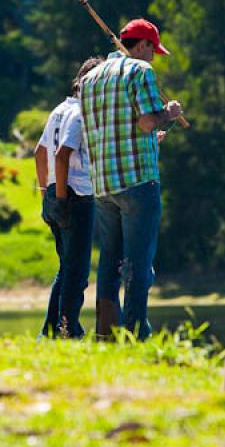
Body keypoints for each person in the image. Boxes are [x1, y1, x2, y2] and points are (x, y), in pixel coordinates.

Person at [80, 18, 183, 340]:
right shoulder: (140, 71)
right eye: (154, 51)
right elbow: (147, 123)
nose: (154, 59)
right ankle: (137, 333)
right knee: (140, 264)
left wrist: (152, 136)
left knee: (109, 263)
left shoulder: (90, 79)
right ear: (144, 45)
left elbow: (116, 129)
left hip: (103, 184)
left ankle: (106, 333)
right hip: (138, 182)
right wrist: (170, 112)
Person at [35, 57, 103, 338]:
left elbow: (40, 154)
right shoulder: (81, 114)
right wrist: (62, 200)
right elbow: (62, 155)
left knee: (66, 269)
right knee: (77, 273)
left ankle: (52, 331)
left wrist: (46, 193)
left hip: (55, 192)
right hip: (74, 198)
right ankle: (68, 330)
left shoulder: (60, 110)